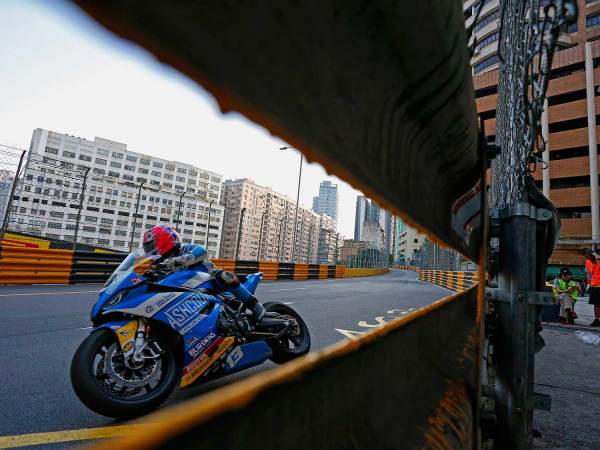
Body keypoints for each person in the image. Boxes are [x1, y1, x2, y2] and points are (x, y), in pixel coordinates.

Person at [142, 225, 266, 321]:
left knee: (223, 276)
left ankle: (255, 305)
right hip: (188, 296)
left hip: (213, 286)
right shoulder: (158, 266)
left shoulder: (185, 249)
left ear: (164, 240)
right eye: (146, 247)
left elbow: (202, 251)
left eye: (151, 245)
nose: (148, 250)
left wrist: (175, 261)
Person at [585, 249, 600, 327]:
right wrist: (588, 284)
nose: (587, 258)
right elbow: (589, 273)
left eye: (589, 256)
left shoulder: (598, 260)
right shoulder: (587, 262)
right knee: (596, 303)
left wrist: (597, 258)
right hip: (594, 285)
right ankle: (597, 319)